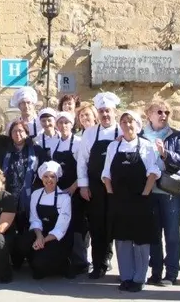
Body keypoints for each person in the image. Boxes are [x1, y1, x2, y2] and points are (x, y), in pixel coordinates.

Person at [102, 111, 161, 293]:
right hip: (119, 199)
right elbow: (106, 174)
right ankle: (126, 276)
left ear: (138, 125)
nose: (128, 125)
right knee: (122, 239)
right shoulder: (114, 146)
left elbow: (153, 173)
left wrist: (144, 195)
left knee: (141, 240)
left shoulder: (147, 146)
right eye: (124, 122)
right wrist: (111, 195)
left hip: (141, 199)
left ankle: (139, 278)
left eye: (131, 121)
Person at [141, 100, 180, 287]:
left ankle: (171, 272)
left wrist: (165, 153)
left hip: (170, 192)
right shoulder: (141, 136)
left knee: (171, 233)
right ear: (149, 114)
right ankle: (155, 271)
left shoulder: (176, 136)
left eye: (166, 112)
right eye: (159, 111)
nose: (163, 115)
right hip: (149, 191)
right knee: (153, 234)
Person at [77, 91, 121, 279]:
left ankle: (120, 264)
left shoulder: (123, 130)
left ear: (114, 112)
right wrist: (83, 185)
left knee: (117, 226)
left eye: (108, 111)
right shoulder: (89, 133)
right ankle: (98, 265)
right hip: (95, 186)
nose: (105, 114)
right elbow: (82, 161)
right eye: (101, 111)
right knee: (97, 226)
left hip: (119, 187)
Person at [47, 111, 89, 276]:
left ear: (72, 125)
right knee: (61, 224)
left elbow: (84, 168)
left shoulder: (79, 143)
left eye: (66, 122)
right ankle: (64, 260)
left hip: (75, 192)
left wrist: (73, 188)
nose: (63, 125)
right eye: (60, 122)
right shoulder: (54, 143)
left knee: (76, 226)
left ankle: (80, 262)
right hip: (59, 192)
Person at [20, 161, 72, 279]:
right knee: (22, 243)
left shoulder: (64, 198)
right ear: (41, 178)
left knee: (41, 266)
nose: (49, 180)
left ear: (57, 179)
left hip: (57, 238)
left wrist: (44, 240)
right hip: (41, 232)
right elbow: (34, 219)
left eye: (53, 176)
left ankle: (62, 263)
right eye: (46, 176)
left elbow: (61, 228)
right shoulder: (36, 194)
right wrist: (39, 237)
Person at [2, 120, 43, 268]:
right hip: (10, 196)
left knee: (28, 228)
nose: (18, 134)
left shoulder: (36, 150)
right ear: (10, 134)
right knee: (11, 229)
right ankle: (16, 259)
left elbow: (46, 169)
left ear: (26, 133)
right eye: (14, 131)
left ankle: (31, 257)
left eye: (21, 131)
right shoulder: (6, 151)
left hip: (30, 197)